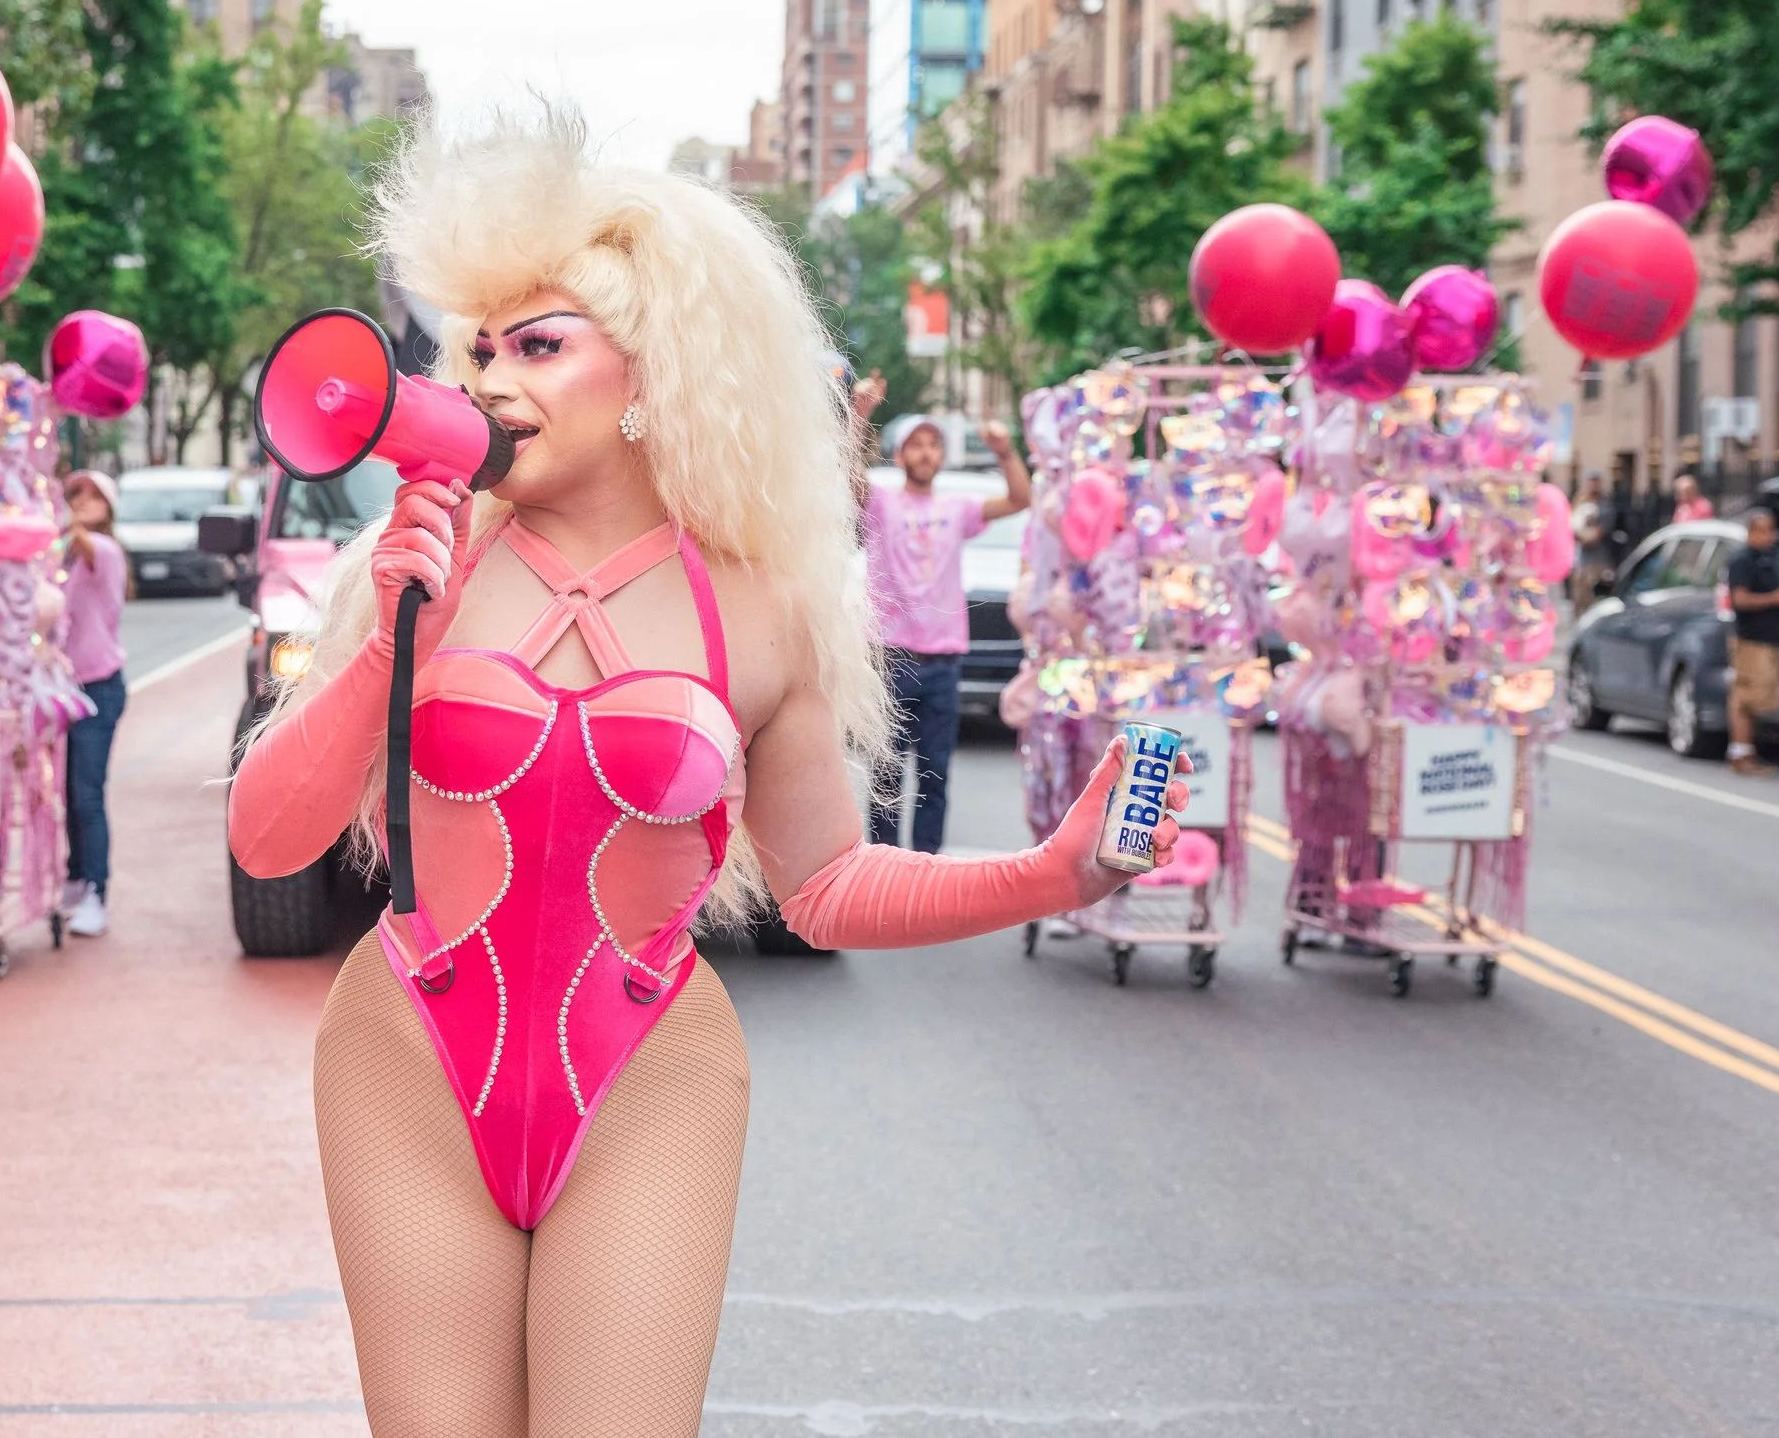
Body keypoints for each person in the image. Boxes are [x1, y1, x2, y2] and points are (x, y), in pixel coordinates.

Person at [226, 107, 1183, 1437]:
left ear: (653, 378)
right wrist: (393, 642)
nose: (494, 381)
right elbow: (271, 843)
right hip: (407, 1062)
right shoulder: (416, 574)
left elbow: (830, 885)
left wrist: (1054, 872)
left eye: (543, 345)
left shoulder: (767, 610)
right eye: (482, 348)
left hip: (648, 1077)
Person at [857, 405, 1030, 853]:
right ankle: (883, 875)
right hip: (891, 659)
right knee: (886, 778)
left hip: (943, 664)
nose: (925, 452)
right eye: (916, 444)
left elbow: (1019, 499)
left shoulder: (957, 510)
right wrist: (859, 415)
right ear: (900, 455)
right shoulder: (880, 502)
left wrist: (1006, 452)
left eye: (933, 444)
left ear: (941, 456)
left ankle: (925, 872)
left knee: (936, 776)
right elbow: (846, 480)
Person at [57, 468, 128, 936]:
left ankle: (96, 893)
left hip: (97, 688)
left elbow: (80, 539)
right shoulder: (60, 562)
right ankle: (75, 877)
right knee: (64, 794)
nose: (80, 501)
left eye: (90, 496)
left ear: (108, 509)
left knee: (86, 794)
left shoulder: (103, 551)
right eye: (73, 494)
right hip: (61, 689)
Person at [1725, 508, 1779, 778]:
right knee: (1745, 698)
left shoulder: (1772, 558)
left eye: (1772, 529)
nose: (1770, 535)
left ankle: (1746, 749)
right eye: (1764, 530)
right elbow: (1740, 599)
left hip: (1769, 637)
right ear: (1751, 531)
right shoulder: (1742, 560)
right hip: (1750, 638)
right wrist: (1775, 598)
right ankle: (1740, 753)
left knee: (1757, 698)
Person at [1571, 473, 1611, 618]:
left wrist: (1586, 538)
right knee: (1580, 597)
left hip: (1598, 558)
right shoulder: (1580, 501)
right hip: (1581, 558)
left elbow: (1601, 531)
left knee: (1596, 597)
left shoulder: (1604, 505)